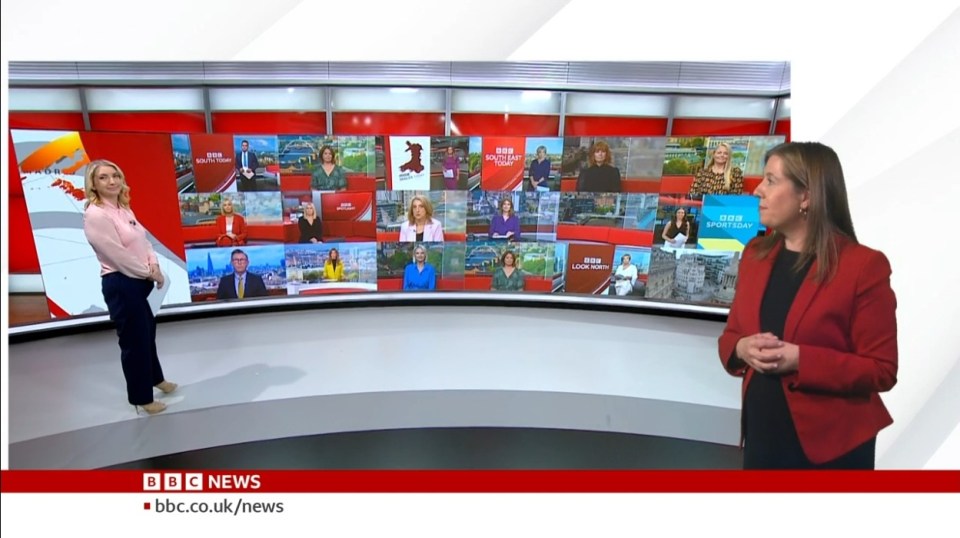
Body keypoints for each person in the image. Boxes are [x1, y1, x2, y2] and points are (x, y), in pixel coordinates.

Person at [718, 141, 898, 470]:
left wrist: (800, 359)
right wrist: (743, 348)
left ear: (807, 196)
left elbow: (881, 370)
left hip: (831, 447)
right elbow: (730, 337)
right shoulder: (755, 255)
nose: (758, 190)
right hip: (762, 436)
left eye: (771, 181)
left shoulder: (863, 267)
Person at [82, 159, 176, 416]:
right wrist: (148, 273)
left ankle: (155, 378)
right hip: (122, 283)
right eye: (103, 177)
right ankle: (142, 397)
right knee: (134, 342)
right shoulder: (96, 214)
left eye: (115, 175)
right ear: (93, 183)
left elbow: (143, 242)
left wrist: (154, 265)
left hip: (139, 279)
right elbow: (117, 255)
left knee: (147, 334)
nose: (111, 181)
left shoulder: (123, 209)